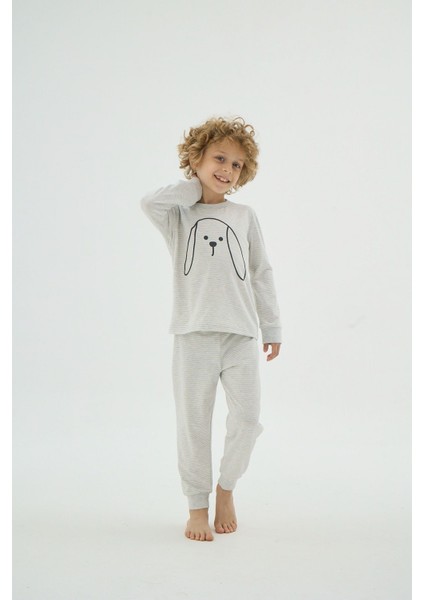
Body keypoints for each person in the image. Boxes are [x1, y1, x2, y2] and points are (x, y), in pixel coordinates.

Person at [140, 116, 282, 542]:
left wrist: (271, 325)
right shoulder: (179, 216)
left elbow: (260, 271)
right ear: (196, 158)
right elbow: (149, 202)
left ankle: (227, 488)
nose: (228, 170)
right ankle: (196, 506)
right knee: (194, 424)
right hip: (193, 335)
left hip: (240, 334)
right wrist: (194, 186)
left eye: (237, 165)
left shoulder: (244, 215)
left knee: (247, 419)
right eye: (219, 158)